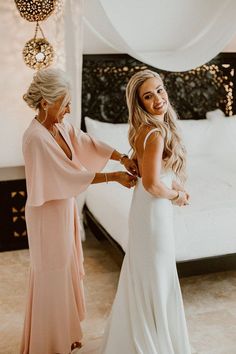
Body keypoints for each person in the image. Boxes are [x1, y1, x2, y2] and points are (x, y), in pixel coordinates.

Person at [20, 67, 138, 354]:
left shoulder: (59, 127)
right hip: (47, 216)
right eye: (65, 103)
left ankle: (66, 333)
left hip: (64, 209)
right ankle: (48, 343)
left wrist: (121, 157)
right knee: (52, 275)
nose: (69, 109)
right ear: (46, 102)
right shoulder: (36, 137)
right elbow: (67, 175)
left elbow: (88, 143)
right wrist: (112, 177)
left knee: (66, 272)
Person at [100, 69, 192, 354]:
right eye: (148, 96)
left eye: (160, 90)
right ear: (139, 103)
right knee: (157, 274)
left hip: (145, 210)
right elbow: (152, 184)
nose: (158, 99)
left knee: (149, 273)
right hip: (153, 212)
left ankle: (143, 336)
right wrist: (176, 196)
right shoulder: (154, 134)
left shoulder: (145, 129)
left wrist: (172, 183)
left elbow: (152, 174)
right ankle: (154, 343)